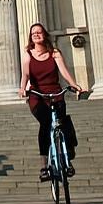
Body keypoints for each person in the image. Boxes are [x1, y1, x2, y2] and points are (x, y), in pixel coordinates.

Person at [18, 22, 82, 181]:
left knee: (62, 122)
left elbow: (64, 71)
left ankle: (67, 156)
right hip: (37, 95)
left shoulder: (55, 53)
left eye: (39, 32)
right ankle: (44, 165)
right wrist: (22, 88)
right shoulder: (28, 54)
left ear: (45, 35)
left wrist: (74, 84)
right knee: (45, 123)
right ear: (31, 37)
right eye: (33, 33)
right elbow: (25, 75)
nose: (36, 35)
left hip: (55, 92)